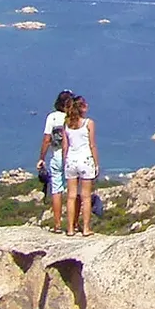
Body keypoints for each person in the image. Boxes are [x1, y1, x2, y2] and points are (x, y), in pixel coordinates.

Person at [61, 94, 99, 236]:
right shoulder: (89, 123)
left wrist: (65, 161)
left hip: (71, 160)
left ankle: (70, 229)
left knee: (71, 196)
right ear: (82, 108)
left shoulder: (66, 124)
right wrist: (96, 164)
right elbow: (92, 144)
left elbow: (65, 146)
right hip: (85, 160)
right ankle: (86, 228)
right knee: (86, 196)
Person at [37, 89, 74, 231]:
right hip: (72, 156)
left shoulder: (52, 117)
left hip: (57, 155)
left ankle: (57, 224)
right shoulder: (73, 117)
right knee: (73, 191)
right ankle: (73, 224)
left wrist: (41, 158)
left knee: (56, 190)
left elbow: (47, 140)